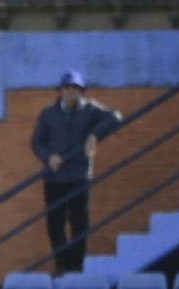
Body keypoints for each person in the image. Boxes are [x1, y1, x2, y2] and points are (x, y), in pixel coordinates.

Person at [30, 71, 122, 273]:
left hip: (79, 177)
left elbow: (115, 117)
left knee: (79, 223)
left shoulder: (89, 109)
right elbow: (36, 142)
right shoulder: (48, 113)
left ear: (81, 91)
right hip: (54, 178)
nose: (71, 92)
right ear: (60, 90)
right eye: (67, 88)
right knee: (55, 224)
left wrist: (95, 135)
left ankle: (77, 265)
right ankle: (62, 264)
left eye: (76, 88)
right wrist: (48, 157)